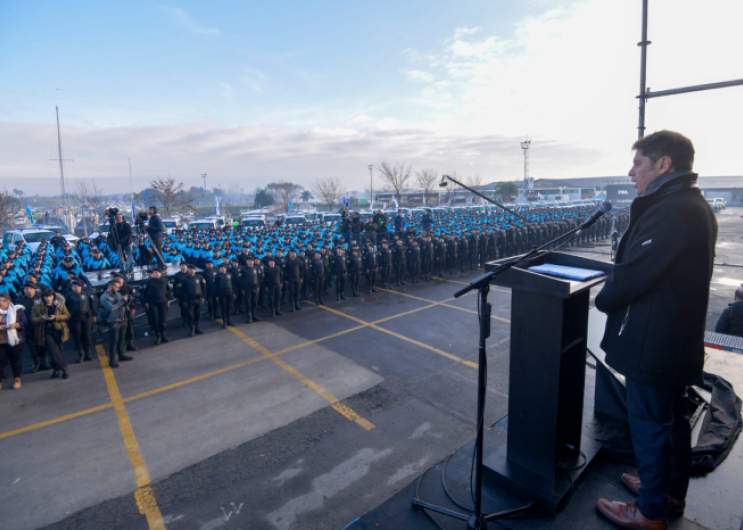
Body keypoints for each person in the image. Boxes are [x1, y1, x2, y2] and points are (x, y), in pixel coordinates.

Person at [594, 131, 717, 530]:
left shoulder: (671, 208)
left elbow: (635, 275)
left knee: (649, 424)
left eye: (639, 164)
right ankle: (668, 493)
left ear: (664, 165)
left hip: (655, 339)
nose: (631, 173)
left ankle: (648, 512)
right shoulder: (691, 204)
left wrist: (603, 299)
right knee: (673, 419)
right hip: (675, 337)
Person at [31, 288, 71, 379]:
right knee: (53, 351)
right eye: (46, 297)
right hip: (46, 331)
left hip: (59, 330)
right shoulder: (37, 306)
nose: (48, 299)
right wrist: (42, 318)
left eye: (50, 296)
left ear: (53, 296)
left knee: (59, 351)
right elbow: (33, 319)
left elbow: (67, 315)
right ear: (43, 297)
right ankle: (64, 368)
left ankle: (56, 369)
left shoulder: (59, 304)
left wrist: (55, 317)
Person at [99, 280, 132, 368]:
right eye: (117, 287)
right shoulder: (104, 297)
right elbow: (111, 308)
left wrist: (128, 301)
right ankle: (112, 360)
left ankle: (121, 355)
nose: (118, 289)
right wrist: (122, 301)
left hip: (122, 319)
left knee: (121, 339)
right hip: (113, 321)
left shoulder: (117, 294)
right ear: (111, 287)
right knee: (113, 341)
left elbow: (122, 305)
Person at [0, 291, 27, 391]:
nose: (1, 303)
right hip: (1, 342)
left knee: (15, 360)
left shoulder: (16, 310)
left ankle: (17, 379)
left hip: (14, 340)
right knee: (1, 361)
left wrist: (14, 325)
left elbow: (24, 322)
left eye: (3, 300)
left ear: (8, 300)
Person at [65, 280, 97, 363]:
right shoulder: (68, 296)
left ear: (81, 287)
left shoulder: (87, 293)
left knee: (87, 335)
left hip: (86, 316)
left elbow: (92, 304)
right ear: (72, 287)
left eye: (78, 286)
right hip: (75, 318)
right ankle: (81, 354)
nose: (76, 288)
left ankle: (88, 353)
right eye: (74, 286)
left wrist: (94, 315)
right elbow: (66, 307)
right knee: (77, 336)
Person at [141, 269, 171, 344]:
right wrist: (146, 302)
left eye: (158, 272)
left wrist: (168, 300)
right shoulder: (149, 282)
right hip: (152, 302)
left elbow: (169, 290)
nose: (156, 274)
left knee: (163, 319)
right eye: (155, 272)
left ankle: (163, 334)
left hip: (162, 301)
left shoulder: (164, 281)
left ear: (160, 273)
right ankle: (158, 336)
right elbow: (144, 293)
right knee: (155, 319)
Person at [183, 265, 206, 336]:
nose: (191, 270)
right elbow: (182, 291)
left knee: (198, 314)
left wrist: (203, 297)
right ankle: (192, 330)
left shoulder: (199, 277)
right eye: (189, 269)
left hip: (198, 299)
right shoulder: (185, 279)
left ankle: (197, 329)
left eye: (192, 269)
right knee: (191, 315)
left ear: (194, 270)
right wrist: (185, 300)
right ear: (188, 270)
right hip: (190, 299)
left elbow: (203, 287)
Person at [215, 263, 235, 328]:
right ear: (219, 269)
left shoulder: (229, 275)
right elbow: (215, 287)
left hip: (229, 293)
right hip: (221, 293)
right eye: (221, 268)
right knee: (223, 308)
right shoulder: (217, 276)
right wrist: (217, 296)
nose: (223, 269)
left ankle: (229, 321)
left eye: (224, 268)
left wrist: (234, 293)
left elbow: (233, 284)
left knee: (229, 307)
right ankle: (224, 321)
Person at [147, 206, 167, 271]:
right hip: (153, 238)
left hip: (157, 238)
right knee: (155, 253)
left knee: (158, 253)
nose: (150, 211)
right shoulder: (151, 218)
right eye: (149, 209)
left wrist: (149, 227)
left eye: (151, 210)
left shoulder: (157, 218)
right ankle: (160, 266)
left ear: (154, 211)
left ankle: (162, 266)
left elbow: (160, 228)